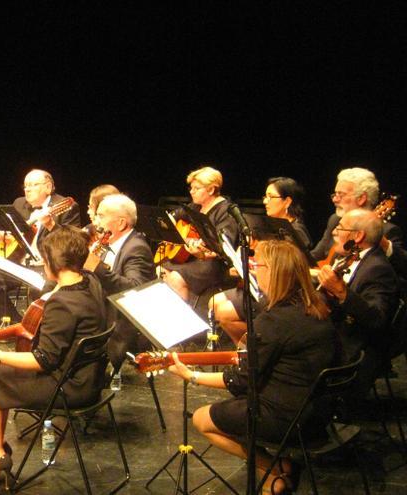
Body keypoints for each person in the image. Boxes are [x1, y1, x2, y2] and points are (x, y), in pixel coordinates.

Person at [167, 240, 337, 494]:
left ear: (275, 273)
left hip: (287, 418)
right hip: (320, 411)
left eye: (258, 265)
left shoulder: (274, 321)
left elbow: (241, 381)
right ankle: (278, 466)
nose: (254, 271)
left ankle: (273, 470)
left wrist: (190, 376)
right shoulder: (318, 306)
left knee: (202, 419)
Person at [0, 226, 108, 486]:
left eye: (45, 258)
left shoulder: (62, 303)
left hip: (69, 388)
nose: (42, 263)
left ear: (55, 261)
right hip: (91, 378)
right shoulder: (90, 281)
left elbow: (43, 359)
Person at [211, 177, 312, 344]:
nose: (265, 201)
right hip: (260, 286)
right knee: (214, 302)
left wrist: (251, 270)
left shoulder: (296, 232)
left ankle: (256, 347)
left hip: (279, 295)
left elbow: (287, 274)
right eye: (265, 196)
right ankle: (248, 351)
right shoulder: (269, 225)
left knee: (223, 312)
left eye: (271, 197)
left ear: (287, 201)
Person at [0, 169, 81, 324]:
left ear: (48, 187)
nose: (28, 189)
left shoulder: (66, 206)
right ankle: (13, 324)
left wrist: (51, 224)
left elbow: (74, 243)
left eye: (33, 185)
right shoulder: (19, 203)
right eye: (25, 186)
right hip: (20, 263)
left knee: (38, 289)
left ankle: (36, 329)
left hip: (47, 267)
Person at [316, 208, 399, 401]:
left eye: (340, 227)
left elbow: (377, 318)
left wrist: (341, 292)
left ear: (358, 236)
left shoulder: (378, 268)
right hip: (336, 332)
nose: (334, 232)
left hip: (354, 346)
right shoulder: (346, 256)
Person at [90, 194, 155, 372]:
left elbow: (135, 289)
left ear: (120, 223)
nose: (96, 221)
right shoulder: (107, 242)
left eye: (101, 216)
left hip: (120, 320)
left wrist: (97, 268)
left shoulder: (136, 248)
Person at [160, 166, 238, 303]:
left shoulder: (226, 211)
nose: (191, 191)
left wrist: (203, 251)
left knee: (175, 278)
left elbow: (223, 246)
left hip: (216, 264)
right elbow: (172, 218)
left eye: (196, 188)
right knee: (161, 269)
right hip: (194, 258)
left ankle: (185, 320)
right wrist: (173, 230)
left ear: (211, 189)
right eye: (191, 188)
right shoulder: (195, 206)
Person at [311, 167, 405, 275]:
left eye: (340, 195)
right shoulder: (335, 220)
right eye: (334, 194)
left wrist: (385, 245)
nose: (334, 199)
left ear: (361, 198)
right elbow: (316, 255)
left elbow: (401, 269)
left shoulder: (387, 231)